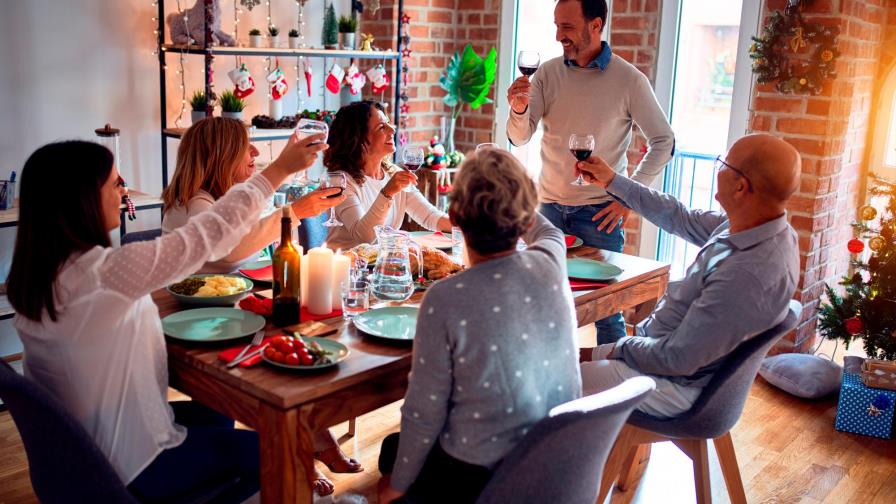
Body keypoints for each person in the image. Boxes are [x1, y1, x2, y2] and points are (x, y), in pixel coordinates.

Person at [6, 135, 324, 502]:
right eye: (115, 182)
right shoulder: (102, 274)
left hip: (79, 456)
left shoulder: (32, 277)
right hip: (132, 467)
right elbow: (207, 234)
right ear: (82, 200)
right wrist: (279, 170)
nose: (123, 189)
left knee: (217, 408)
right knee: (283, 449)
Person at [377, 149, 581, 503]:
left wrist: (396, 487)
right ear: (526, 210)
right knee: (392, 450)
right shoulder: (551, 259)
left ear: (455, 217)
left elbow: (424, 412)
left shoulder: (446, 297)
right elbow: (544, 227)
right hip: (552, 459)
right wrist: (509, 183)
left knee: (393, 458)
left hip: (483, 476)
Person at [575, 133, 801, 417]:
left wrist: (602, 352)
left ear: (741, 187)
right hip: (662, 359)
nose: (718, 168)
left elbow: (677, 359)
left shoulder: (747, 273)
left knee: (543, 383)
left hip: (672, 384)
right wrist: (612, 180)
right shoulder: (757, 227)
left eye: (723, 163)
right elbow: (678, 216)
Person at [506, 0, 675, 344]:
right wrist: (519, 109)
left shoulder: (629, 80)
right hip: (547, 211)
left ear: (595, 25)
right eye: (556, 26)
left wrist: (630, 198)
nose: (558, 36)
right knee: (540, 305)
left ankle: (614, 394)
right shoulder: (548, 74)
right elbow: (519, 137)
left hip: (600, 216)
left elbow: (664, 141)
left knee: (608, 315)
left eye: (567, 28)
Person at [162, 117, 345, 273]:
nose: (256, 151)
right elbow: (233, 248)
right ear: (221, 157)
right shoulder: (193, 206)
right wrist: (295, 211)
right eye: (244, 145)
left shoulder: (219, 201)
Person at [324, 100, 451, 251]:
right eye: (382, 127)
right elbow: (365, 236)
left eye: (389, 123)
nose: (392, 130)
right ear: (359, 140)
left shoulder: (393, 174)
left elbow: (429, 216)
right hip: (347, 268)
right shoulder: (340, 181)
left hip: (382, 266)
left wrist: (470, 227)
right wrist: (387, 193)